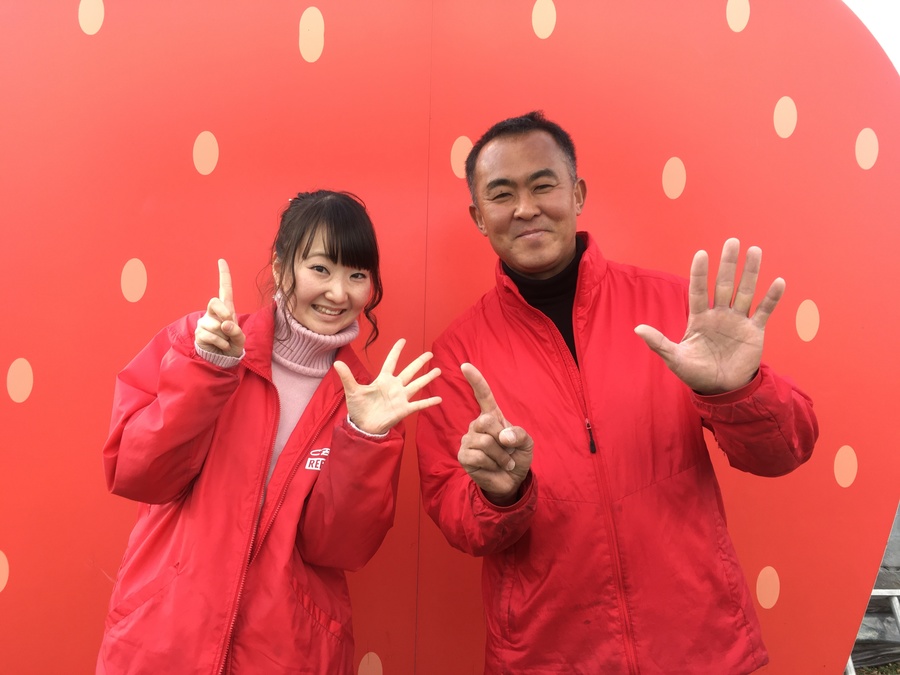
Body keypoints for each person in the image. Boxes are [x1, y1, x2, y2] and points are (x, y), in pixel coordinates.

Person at [416, 112, 818, 674]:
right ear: (479, 217)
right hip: (551, 657)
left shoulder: (674, 310)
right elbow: (456, 517)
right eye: (502, 194)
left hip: (697, 647)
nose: (525, 208)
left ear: (577, 193)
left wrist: (738, 391)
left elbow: (786, 452)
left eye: (543, 185)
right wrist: (499, 495)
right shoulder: (457, 354)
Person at [98, 190, 441, 674]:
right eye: (320, 268)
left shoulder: (368, 401)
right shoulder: (206, 345)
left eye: (357, 275)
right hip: (164, 639)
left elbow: (338, 548)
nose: (339, 293)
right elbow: (135, 472)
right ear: (281, 268)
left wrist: (362, 438)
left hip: (286, 653)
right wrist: (208, 371)